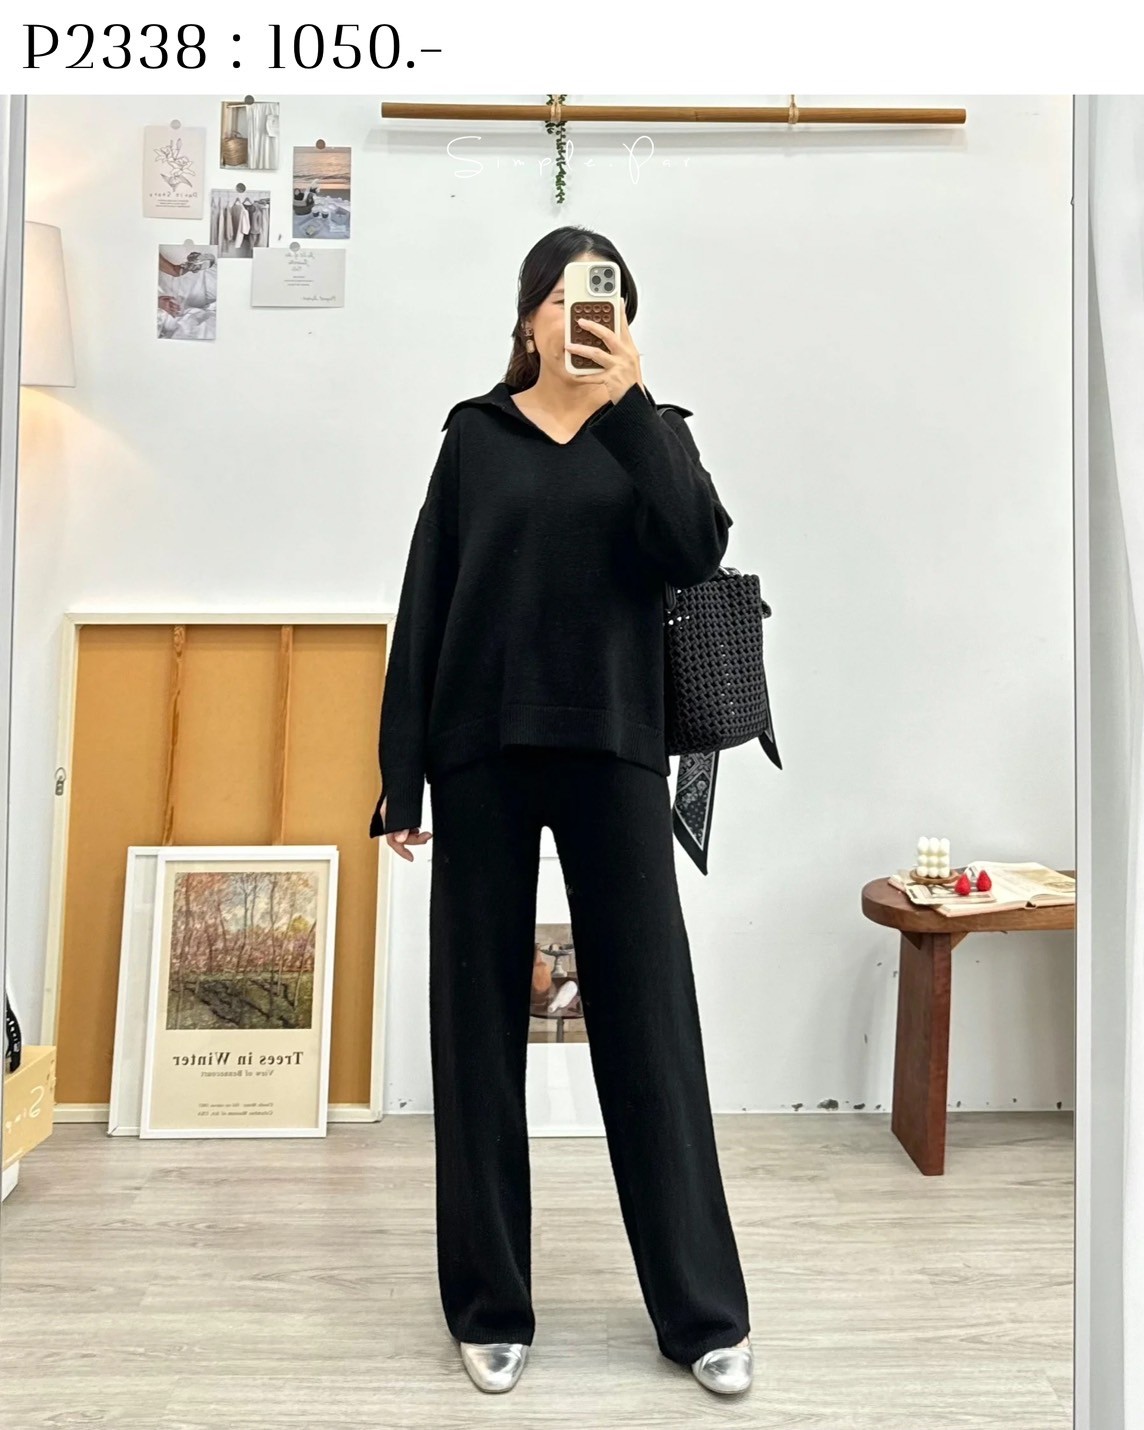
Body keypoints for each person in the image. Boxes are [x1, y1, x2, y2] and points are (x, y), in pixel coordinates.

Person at [368, 225, 753, 1397]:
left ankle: (701, 1312)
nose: (588, 318)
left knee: (651, 1030)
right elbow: (426, 601)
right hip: (480, 753)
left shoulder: (655, 433)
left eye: (611, 302)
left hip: (615, 748)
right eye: (570, 298)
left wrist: (633, 407)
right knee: (476, 1035)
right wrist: (400, 774)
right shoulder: (475, 439)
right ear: (530, 314)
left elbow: (695, 548)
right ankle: (489, 1304)